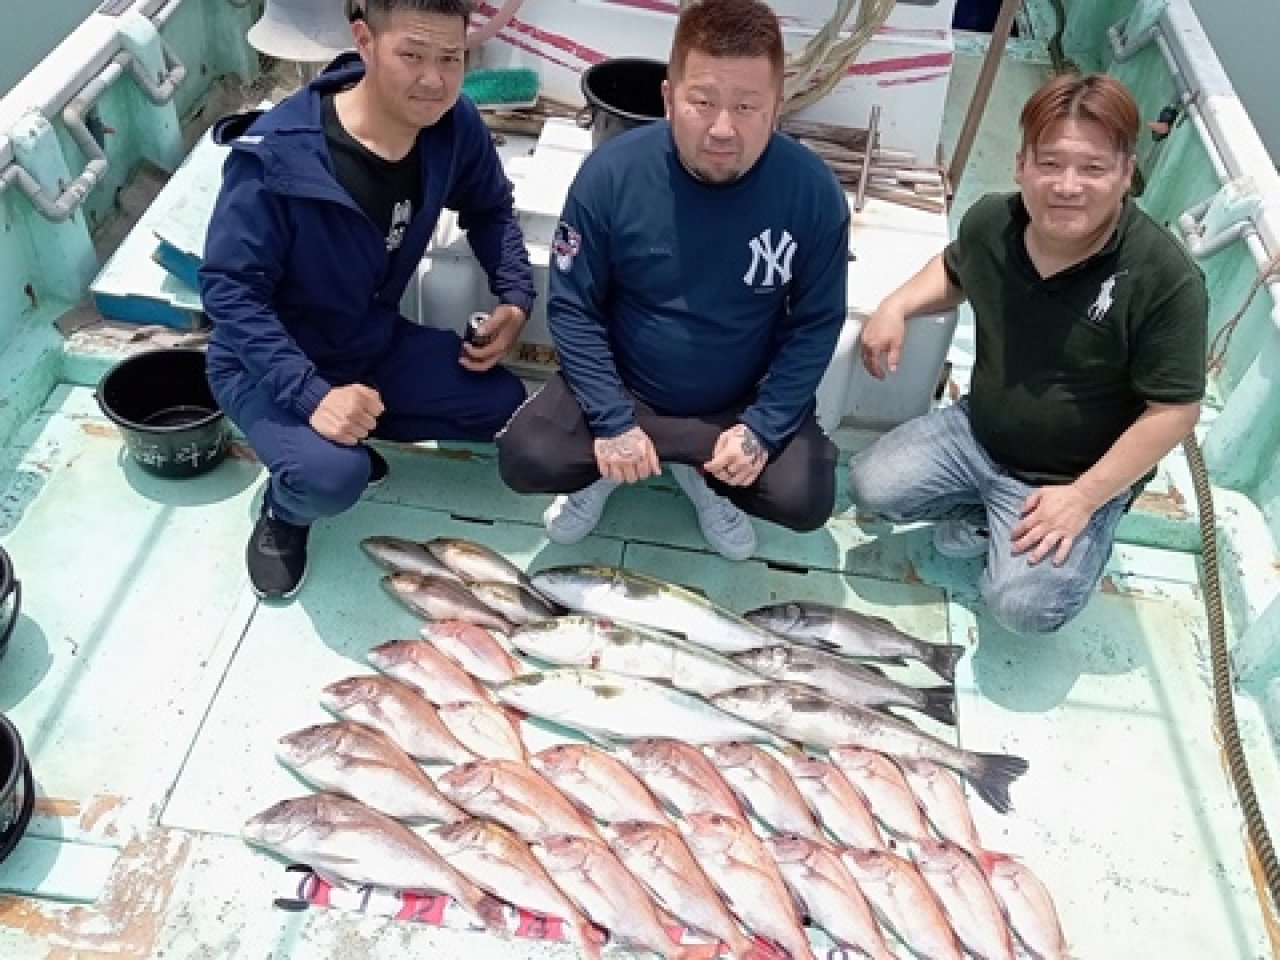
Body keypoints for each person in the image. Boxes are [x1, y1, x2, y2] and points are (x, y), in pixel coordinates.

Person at [849, 73, 1206, 634]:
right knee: (869, 486)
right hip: (979, 432)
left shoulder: (1165, 278)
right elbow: (953, 266)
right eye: (1050, 163)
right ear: (1021, 165)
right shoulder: (994, 221)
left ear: (1126, 173)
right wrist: (896, 305)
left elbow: (1174, 412)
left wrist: (1083, 498)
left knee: (1023, 608)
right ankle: (985, 512)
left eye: (1092, 168)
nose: (1067, 185)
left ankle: (1088, 522)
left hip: (1073, 475)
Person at [200, 0, 533, 600]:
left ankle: (348, 428)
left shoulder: (453, 125)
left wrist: (514, 295)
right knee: (332, 478)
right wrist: (311, 396)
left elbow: (489, 207)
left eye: (450, 59)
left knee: (503, 402)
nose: (433, 79)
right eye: (411, 54)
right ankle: (284, 509)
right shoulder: (275, 157)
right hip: (265, 363)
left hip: (368, 339)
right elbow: (230, 292)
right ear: (364, 40)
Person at [496, 0, 849, 560]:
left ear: (778, 106)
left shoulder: (813, 193)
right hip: (626, 389)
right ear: (668, 98)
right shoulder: (609, 175)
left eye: (748, 105)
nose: (723, 128)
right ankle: (612, 468)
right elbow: (573, 307)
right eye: (702, 102)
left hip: (734, 403)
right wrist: (611, 420)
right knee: (528, 457)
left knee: (805, 498)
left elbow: (816, 323)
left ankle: (709, 477)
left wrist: (762, 427)